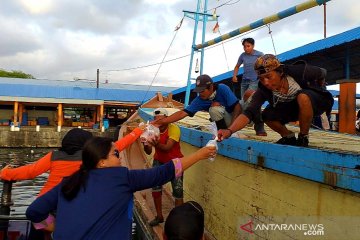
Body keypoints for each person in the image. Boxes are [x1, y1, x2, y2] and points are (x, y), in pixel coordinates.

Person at [25, 137, 216, 240]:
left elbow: (34, 211)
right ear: (101, 162)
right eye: (115, 154)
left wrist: (52, 226)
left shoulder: (68, 181)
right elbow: (163, 173)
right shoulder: (120, 177)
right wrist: (199, 155)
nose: (120, 157)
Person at [218, 54, 334, 147]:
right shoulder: (263, 88)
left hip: (318, 102)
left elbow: (322, 72)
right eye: (262, 79)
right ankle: (288, 137)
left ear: (280, 72)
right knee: (266, 114)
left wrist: (320, 85)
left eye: (269, 77)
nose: (266, 82)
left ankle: (303, 138)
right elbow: (249, 112)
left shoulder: (298, 71)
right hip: (294, 109)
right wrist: (229, 131)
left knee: (303, 96)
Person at [0, 126, 144, 196]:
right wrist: (138, 131)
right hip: (72, 205)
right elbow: (121, 143)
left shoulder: (54, 156)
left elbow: (30, 171)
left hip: (44, 207)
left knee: (41, 226)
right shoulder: (92, 156)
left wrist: (6, 173)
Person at [153, 74, 241, 132]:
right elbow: (182, 113)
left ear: (210, 87)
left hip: (236, 118)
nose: (200, 94)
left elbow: (237, 107)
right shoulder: (200, 99)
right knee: (214, 109)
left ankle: (227, 131)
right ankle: (222, 131)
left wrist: (231, 129)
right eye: (199, 91)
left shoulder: (222, 88)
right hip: (226, 123)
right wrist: (162, 122)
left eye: (202, 91)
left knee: (215, 109)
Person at [143, 108, 184, 226]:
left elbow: (167, 148)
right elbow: (148, 151)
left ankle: (178, 221)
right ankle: (159, 216)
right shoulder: (152, 130)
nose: (158, 123)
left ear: (167, 119)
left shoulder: (174, 128)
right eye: (156, 120)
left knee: (178, 190)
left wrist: (155, 143)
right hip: (159, 160)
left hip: (176, 162)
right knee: (155, 188)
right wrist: (145, 143)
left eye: (160, 120)